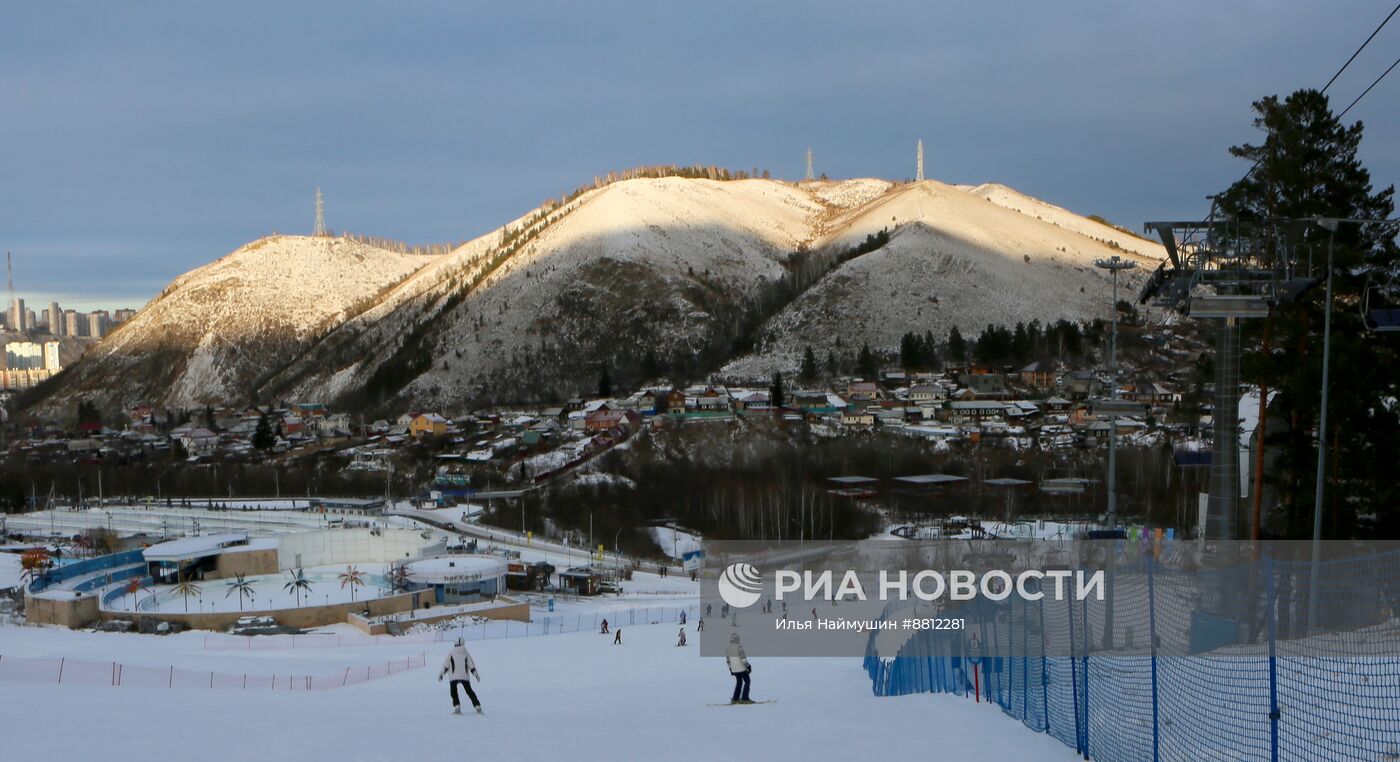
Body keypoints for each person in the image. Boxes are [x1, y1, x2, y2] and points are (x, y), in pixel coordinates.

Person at [438, 637, 482, 714]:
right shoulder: (466, 653)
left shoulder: (451, 653)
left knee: (453, 692)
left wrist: (441, 674)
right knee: (469, 691)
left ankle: (456, 706)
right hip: (464, 676)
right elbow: (471, 665)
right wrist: (475, 674)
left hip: (453, 676)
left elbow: (446, 666)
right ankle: (477, 705)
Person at [727, 633, 752, 704]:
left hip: (734, 669)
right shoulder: (739, 647)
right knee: (747, 681)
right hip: (741, 668)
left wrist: (730, 669)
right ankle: (745, 698)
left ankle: (735, 698)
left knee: (739, 682)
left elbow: (728, 661)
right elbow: (743, 659)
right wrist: (748, 666)